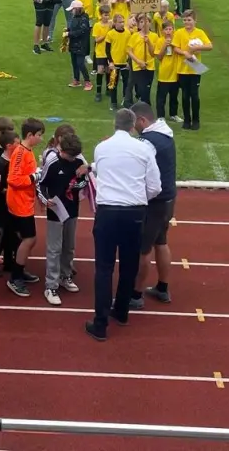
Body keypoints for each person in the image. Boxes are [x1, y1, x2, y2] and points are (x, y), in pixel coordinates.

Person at [86, 108, 159, 342]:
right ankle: (122, 312)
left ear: (114, 124)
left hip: (107, 212)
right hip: (134, 212)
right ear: (132, 125)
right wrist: (138, 198)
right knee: (129, 266)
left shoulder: (101, 148)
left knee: (104, 268)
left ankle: (100, 323)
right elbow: (155, 186)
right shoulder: (144, 149)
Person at [132, 103, 176, 307]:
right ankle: (162, 288)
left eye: (134, 123)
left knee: (142, 248)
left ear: (142, 120)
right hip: (168, 198)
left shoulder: (147, 141)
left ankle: (136, 295)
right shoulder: (165, 133)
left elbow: (133, 160)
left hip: (153, 201)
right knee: (161, 241)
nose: (133, 128)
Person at [38, 130, 88, 307]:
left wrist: (78, 184)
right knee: (54, 249)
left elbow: (84, 182)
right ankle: (50, 286)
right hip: (55, 211)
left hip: (72, 210)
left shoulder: (79, 162)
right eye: (70, 156)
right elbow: (41, 184)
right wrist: (46, 200)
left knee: (69, 246)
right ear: (63, 150)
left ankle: (65, 276)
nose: (73, 159)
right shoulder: (52, 163)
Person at [2, 118, 44, 296]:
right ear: (30, 135)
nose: (41, 139)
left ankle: (18, 269)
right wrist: (35, 177)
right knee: (30, 239)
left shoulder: (28, 150)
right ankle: (15, 277)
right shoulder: (21, 152)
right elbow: (13, 179)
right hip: (20, 204)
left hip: (24, 201)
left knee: (22, 238)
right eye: (39, 135)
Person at [172, 12, 212, 130]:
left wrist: (196, 48)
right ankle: (186, 120)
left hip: (195, 69)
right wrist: (184, 52)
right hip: (182, 69)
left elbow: (209, 46)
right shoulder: (179, 33)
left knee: (194, 95)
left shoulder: (199, 33)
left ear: (195, 21)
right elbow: (175, 48)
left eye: (189, 20)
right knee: (185, 95)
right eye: (184, 20)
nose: (186, 22)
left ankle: (196, 120)